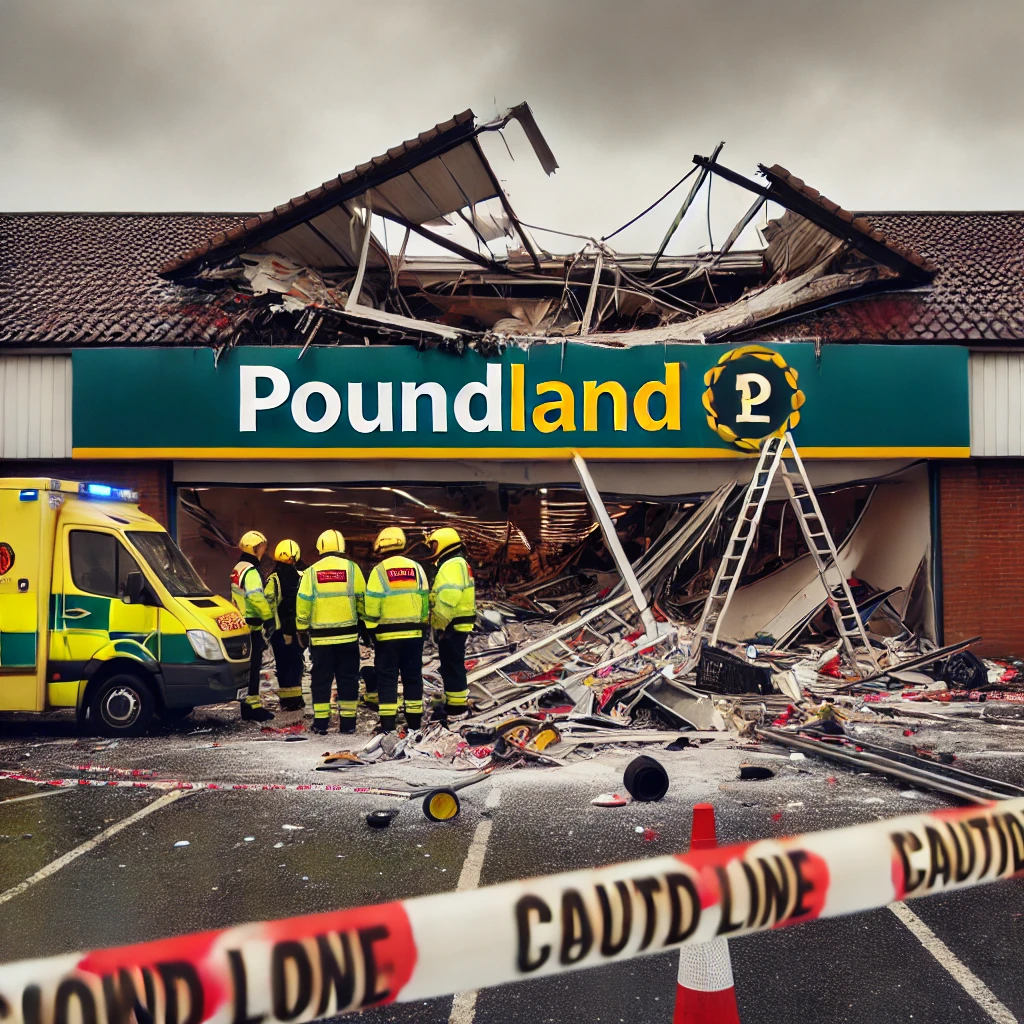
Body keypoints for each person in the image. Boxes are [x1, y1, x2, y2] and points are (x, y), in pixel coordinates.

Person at [295, 529, 366, 735]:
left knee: (321, 681)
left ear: (321, 547)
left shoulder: (311, 572)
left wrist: (301, 628)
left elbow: (303, 603)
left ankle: (321, 724)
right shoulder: (353, 569)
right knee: (348, 680)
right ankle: (348, 724)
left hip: (321, 639)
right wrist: (364, 625)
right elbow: (362, 599)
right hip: (348, 637)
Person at [363, 527, 429, 733]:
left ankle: (388, 726)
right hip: (414, 635)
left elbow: (372, 606)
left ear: (381, 546)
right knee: (412, 678)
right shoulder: (417, 568)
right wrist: (423, 626)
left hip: (387, 636)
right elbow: (425, 600)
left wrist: (371, 630)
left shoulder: (379, 571)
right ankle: (415, 723)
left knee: (387, 680)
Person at [426, 527, 476, 721]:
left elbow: (448, 597)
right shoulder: (458, 563)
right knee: (453, 664)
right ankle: (455, 703)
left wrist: (439, 624)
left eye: (434, 544)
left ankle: (455, 709)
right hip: (458, 623)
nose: (433, 548)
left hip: (451, 624)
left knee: (452, 666)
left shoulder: (452, 565)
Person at [230, 530, 275, 722]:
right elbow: (256, 596)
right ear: (254, 548)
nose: (263, 552)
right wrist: (268, 617)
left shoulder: (238, 568)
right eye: (261, 548)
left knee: (248, 671)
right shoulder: (251, 571)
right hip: (252, 627)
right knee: (253, 670)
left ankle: (247, 708)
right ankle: (253, 709)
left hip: (241, 625)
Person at [265, 539, 306, 712]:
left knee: (283, 665)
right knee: (296, 663)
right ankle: (296, 699)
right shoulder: (302, 577)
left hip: (279, 631)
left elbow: (268, 602)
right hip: (297, 629)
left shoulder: (273, 578)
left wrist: (269, 626)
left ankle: (287, 702)